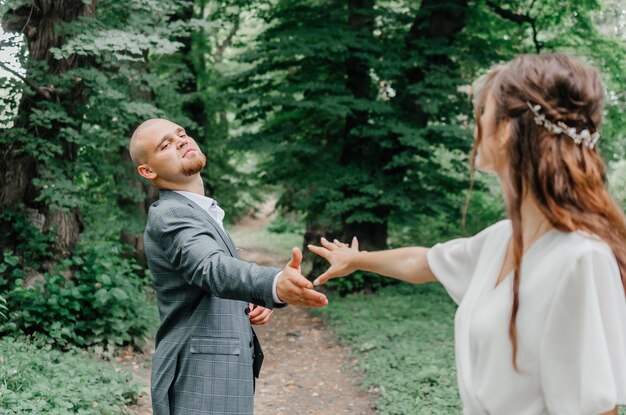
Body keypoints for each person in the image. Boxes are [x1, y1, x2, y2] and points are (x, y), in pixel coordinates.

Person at [309, 54, 626, 415]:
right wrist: (357, 260)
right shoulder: (502, 239)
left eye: (484, 112)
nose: (476, 125)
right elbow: (423, 262)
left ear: (505, 130)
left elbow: (596, 409)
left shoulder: (580, 259)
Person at [129, 118, 328, 415]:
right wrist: (272, 285)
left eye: (181, 133)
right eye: (165, 144)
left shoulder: (198, 212)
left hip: (219, 373)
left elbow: (204, 277)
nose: (181, 140)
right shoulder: (170, 213)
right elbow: (209, 267)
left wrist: (249, 298)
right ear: (148, 171)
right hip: (200, 378)